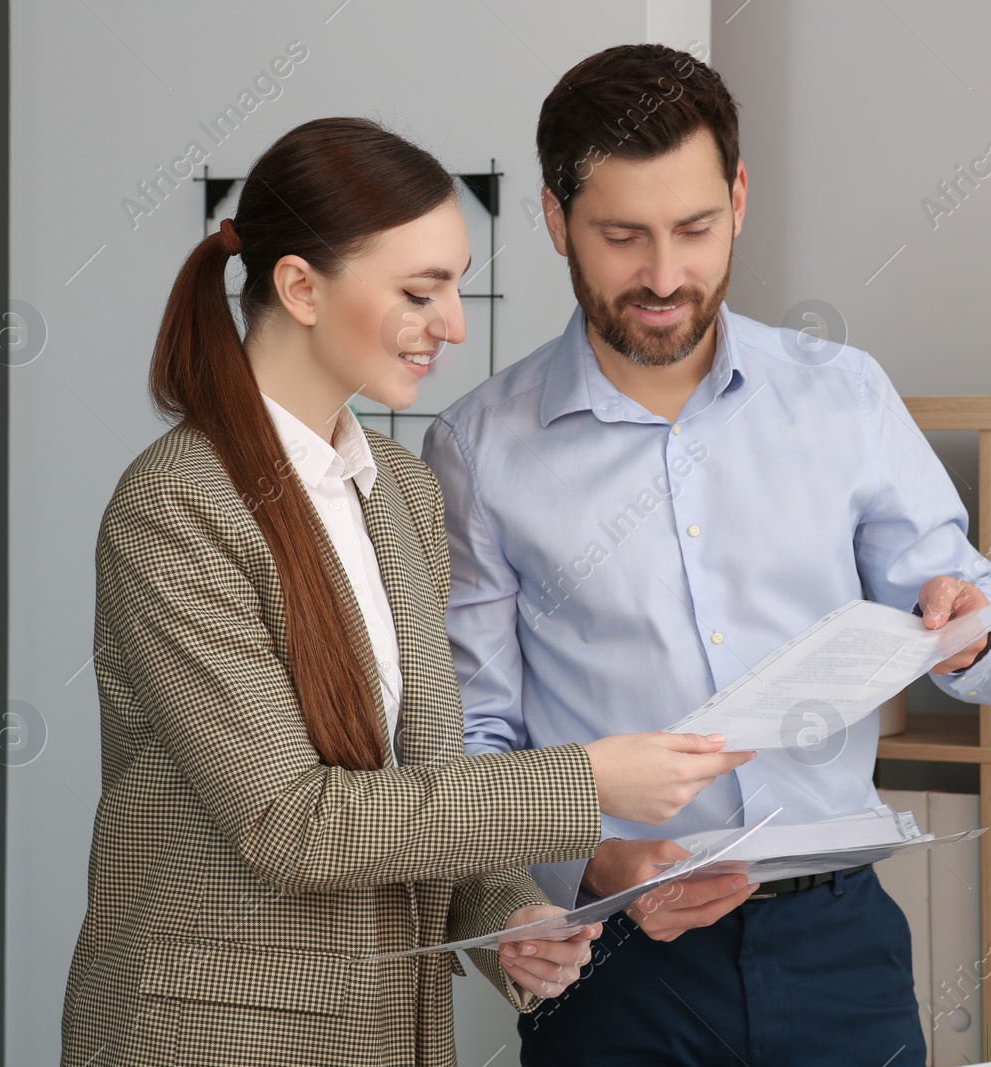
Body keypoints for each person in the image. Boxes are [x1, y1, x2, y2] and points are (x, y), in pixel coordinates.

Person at [58, 116, 752, 1067]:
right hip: (219, 1035)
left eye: (457, 285)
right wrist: (587, 778)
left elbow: (417, 776)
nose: (455, 324)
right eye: (420, 291)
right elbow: (292, 822)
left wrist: (511, 912)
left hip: (393, 1030)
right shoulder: (174, 509)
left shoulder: (401, 490)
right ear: (300, 287)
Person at [422, 46, 991, 1067]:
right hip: (616, 960)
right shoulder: (480, 447)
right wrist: (594, 860)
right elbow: (475, 737)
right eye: (621, 236)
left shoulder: (842, 394)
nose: (663, 275)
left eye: (695, 230)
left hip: (839, 940)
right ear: (553, 219)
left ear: (739, 199)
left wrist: (964, 624)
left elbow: (990, 631)